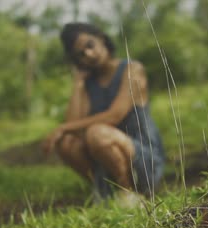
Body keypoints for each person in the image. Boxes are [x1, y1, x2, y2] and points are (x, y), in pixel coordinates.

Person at [43, 22, 165, 201]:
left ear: (101, 38)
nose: (89, 55)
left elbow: (115, 115)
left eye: (90, 45)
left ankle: (130, 193)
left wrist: (62, 127)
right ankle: (107, 190)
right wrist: (78, 84)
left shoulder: (132, 69)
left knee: (96, 133)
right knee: (66, 142)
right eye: (81, 55)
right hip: (105, 157)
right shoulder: (88, 83)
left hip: (142, 156)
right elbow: (73, 127)